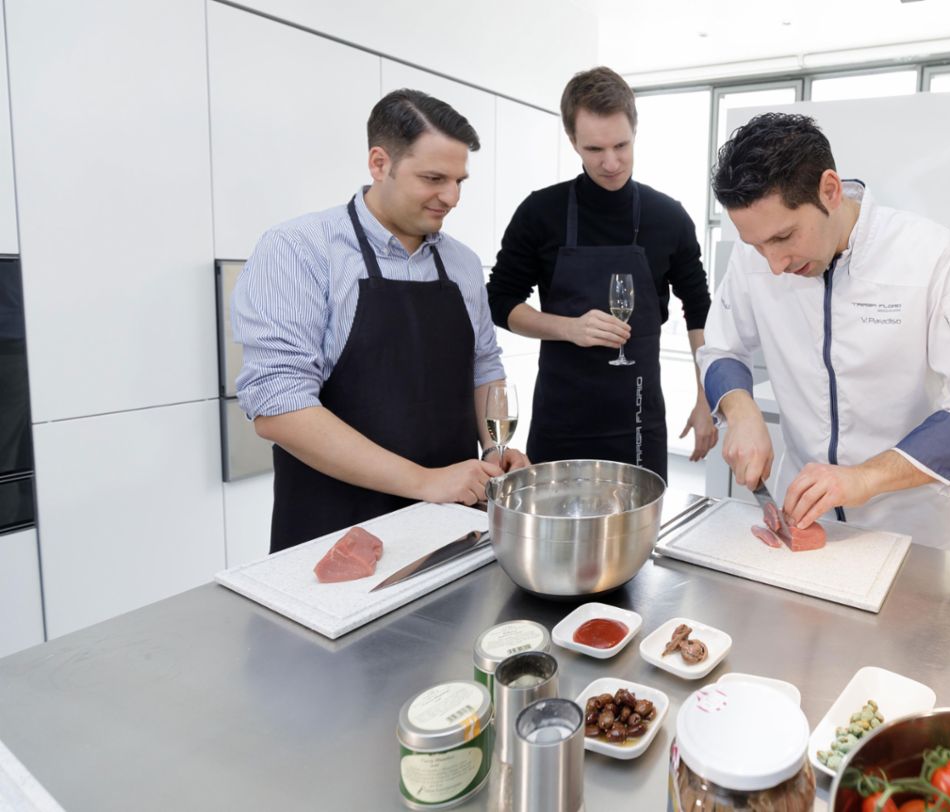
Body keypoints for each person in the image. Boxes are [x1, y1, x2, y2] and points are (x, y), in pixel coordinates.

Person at [700, 113, 950, 549]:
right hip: (798, 518)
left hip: (905, 529)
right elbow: (722, 346)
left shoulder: (930, 256)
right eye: (757, 246)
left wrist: (864, 479)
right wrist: (740, 413)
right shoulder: (756, 256)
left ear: (829, 191)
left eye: (784, 238)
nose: (773, 265)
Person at [234, 89, 526, 553]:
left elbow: (484, 367)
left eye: (459, 181)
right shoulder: (299, 250)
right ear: (379, 162)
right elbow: (279, 409)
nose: (450, 197)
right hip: (335, 534)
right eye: (433, 178)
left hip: (452, 526)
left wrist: (492, 448)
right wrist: (425, 482)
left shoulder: (464, 264)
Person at [487, 67, 715, 483]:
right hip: (561, 423)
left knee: (636, 544)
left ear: (635, 130)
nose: (611, 163)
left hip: (639, 420)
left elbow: (698, 309)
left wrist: (706, 398)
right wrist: (567, 328)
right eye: (594, 149)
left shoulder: (668, 217)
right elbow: (500, 302)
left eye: (621, 145)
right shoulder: (540, 213)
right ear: (572, 141)